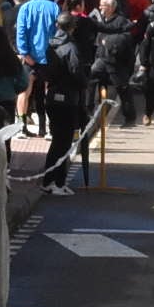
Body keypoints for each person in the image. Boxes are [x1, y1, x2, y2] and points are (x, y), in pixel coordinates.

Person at [38, 29, 92, 192]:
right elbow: (76, 72)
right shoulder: (70, 48)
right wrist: (84, 83)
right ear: (73, 28)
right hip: (67, 99)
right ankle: (51, 181)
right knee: (63, 142)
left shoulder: (49, 46)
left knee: (59, 141)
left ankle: (57, 181)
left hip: (52, 97)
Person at [14, 0, 61, 124]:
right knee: (49, 90)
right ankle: (48, 122)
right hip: (48, 55)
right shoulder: (54, 7)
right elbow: (58, 31)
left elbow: (20, 32)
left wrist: (24, 53)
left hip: (29, 56)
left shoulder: (25, 8)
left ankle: (21, 124)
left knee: (24, 92)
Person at [95, 0, 143, 129]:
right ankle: (91, 110)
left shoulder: (120, 22)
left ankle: (129, 118)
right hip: (102, 59)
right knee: (92, 76)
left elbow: (124, 42)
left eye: (102, 5)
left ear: (110, 7)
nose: (99, 8)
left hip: (117, 63)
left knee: (122, 89)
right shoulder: (103, 21)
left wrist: (108, 42)